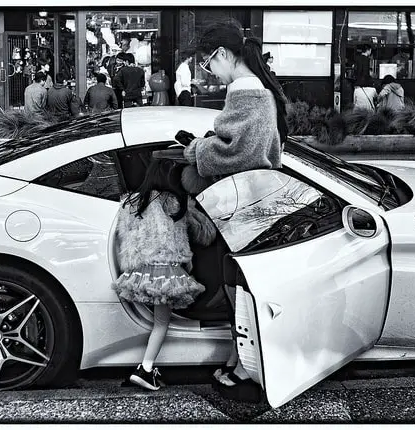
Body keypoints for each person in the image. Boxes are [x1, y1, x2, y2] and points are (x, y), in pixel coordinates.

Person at [173, 20, 287, 401]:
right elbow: (239, 144)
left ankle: (247, 369)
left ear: (222, 55)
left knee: (242, 291)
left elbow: (238, 152)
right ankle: (240, 358)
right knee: (237, 288)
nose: (211, 73)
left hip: (247, 213)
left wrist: (196, 151)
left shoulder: (249, 95)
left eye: (208, 65)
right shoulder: (254, 93)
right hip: (249, 210)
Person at [113, 157, 217, 391]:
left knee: (155, 321)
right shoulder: (178, 203)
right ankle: (146, 369)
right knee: (162, 324)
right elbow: (206, 235)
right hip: (168, 271)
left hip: (140, 271)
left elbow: (125, 239)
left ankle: (146, 367)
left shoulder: (131, 202)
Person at [353, 44, 376, 111]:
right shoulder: (367, 59)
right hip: (365, 84)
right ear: (368, 50)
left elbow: (356, 70)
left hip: (357, 83)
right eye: (370, 50)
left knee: (358, 101)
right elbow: (366, 72)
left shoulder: (357, 58)